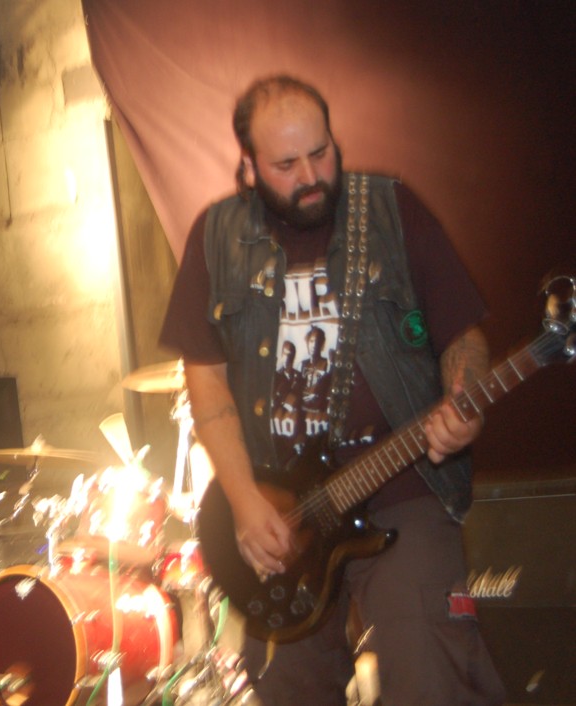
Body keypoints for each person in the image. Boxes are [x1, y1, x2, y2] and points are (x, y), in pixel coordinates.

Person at [160, 75, 506, 704]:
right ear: (249, 167)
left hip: (401, 484)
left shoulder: (391, 212)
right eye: (286, 165)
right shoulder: (216, 239)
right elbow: (205, 382)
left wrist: (465, 394)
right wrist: (243, 501)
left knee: (428, 667)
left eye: (321, 153)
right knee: (286, 686)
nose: (311, 176)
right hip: (286, 510)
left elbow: (465, 335)